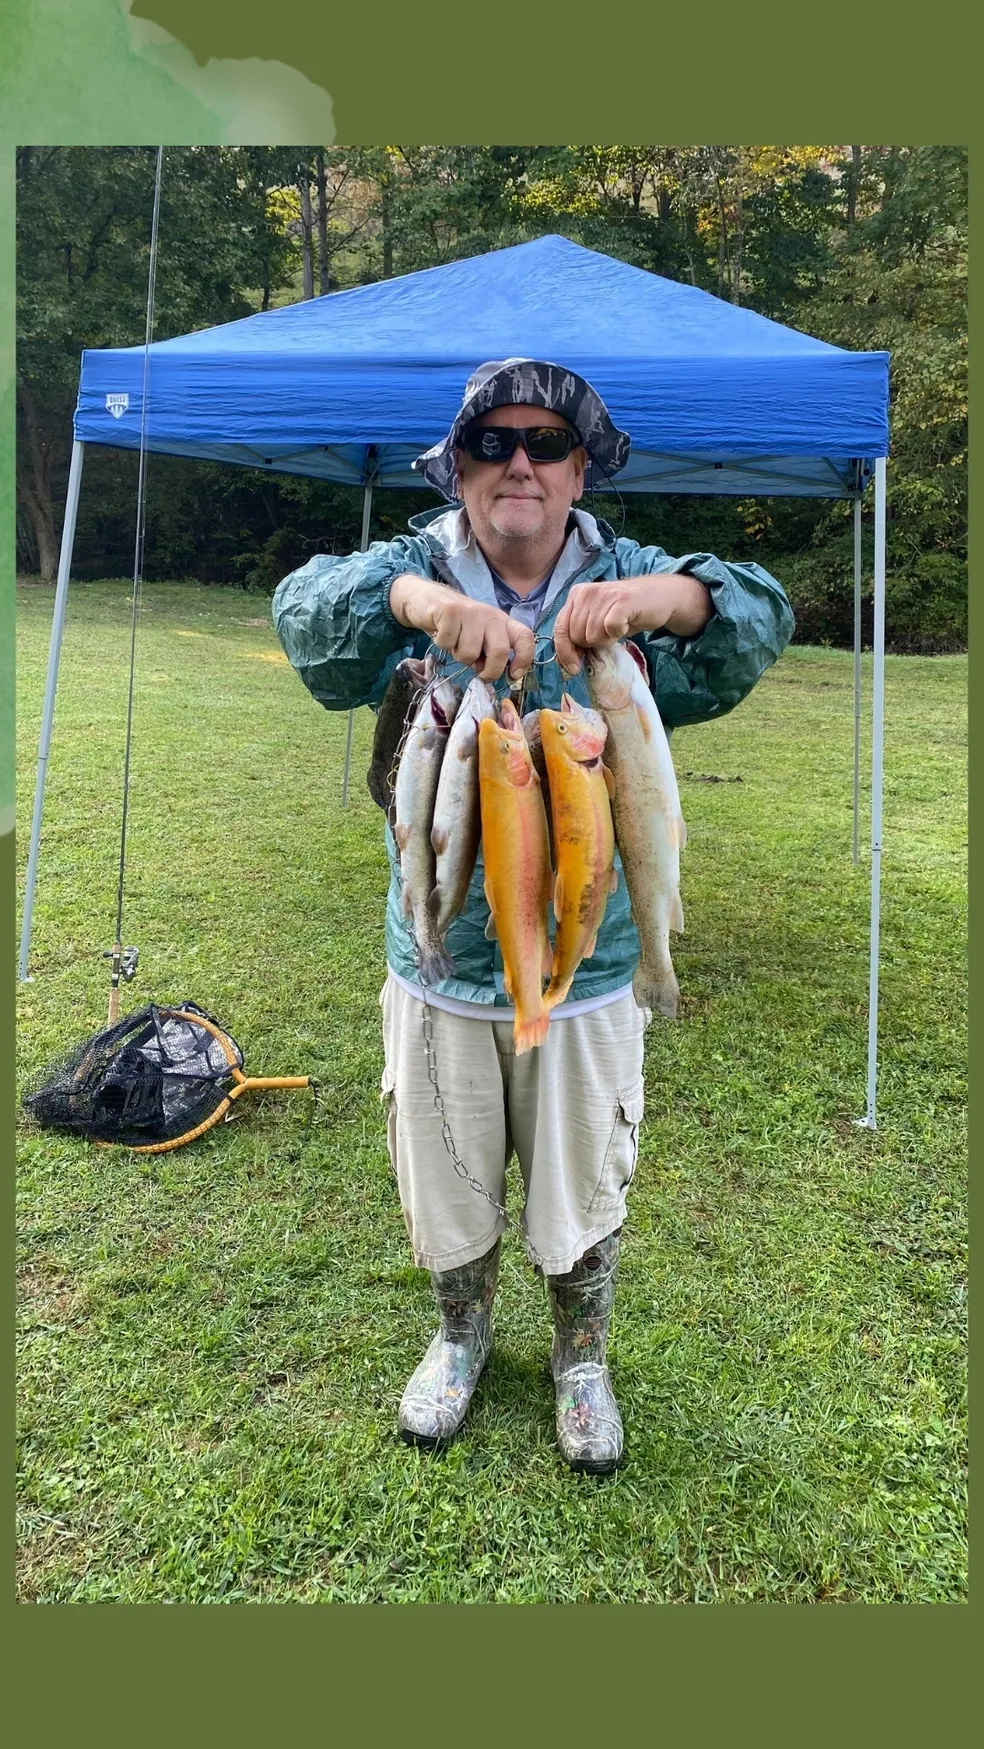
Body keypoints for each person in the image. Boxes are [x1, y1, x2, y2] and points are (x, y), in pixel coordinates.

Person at [273, 357, 794, 1474]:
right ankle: (459, 1339)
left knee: (582, 1175)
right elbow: (305, 620)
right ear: (457, 467)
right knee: (446, 1168)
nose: (519, 462)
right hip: (440, 957)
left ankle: (582, 1359)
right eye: (492, 443)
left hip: (594, 964)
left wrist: (673, 601)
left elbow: (758, 617)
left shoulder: (631, 572)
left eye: (545, 444)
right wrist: (420, 605)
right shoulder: (412, 564)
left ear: (580, 468)